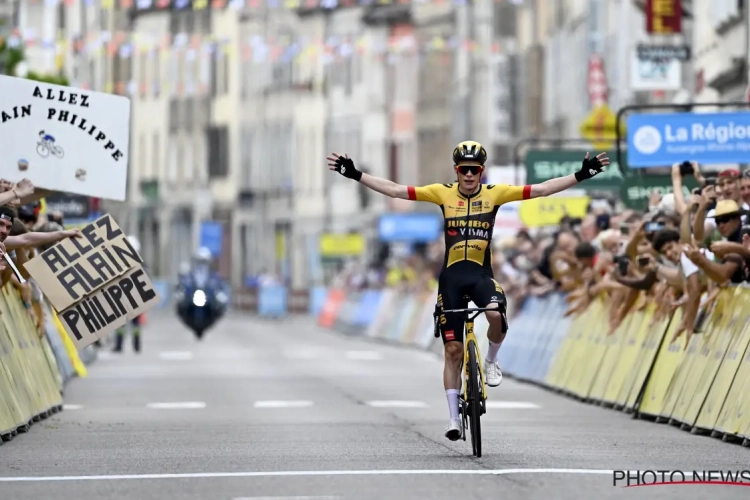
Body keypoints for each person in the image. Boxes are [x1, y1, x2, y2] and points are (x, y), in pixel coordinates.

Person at [327, 141, 609, 440]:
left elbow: (541, 190)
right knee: (452, 350)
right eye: (464, 170)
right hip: (450, 279)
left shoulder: (495, 194)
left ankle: (490, 361)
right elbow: (397, 190)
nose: (469, 176)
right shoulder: (442, 192)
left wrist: (580, 175)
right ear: (456, 171)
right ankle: (453, 419)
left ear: (482, 172)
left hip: (480, 275)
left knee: (495, 313)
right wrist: (356, 174)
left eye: (475, 171)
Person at [113, 235, 145, 353]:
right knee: (121, 324)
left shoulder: (139, 265)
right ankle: (122, 345)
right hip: (123, 297)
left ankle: (134, 345)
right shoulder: (120, 264)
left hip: (134, 298)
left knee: (134, 324)